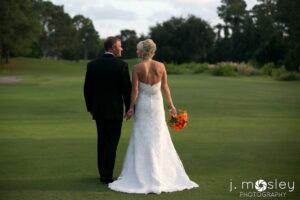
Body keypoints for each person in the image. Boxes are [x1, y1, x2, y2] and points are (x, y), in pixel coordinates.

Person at [108, 39, 199, 194]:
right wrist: (171, 105)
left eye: (138, 50)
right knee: (158, 136)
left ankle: (142, 175)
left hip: (143, 105)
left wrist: (130, 108)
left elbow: (135, 90)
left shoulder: (137, 68)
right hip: (157, 106)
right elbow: (165, 87)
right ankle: (160, 174)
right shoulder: (161, 66)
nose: (136, 52)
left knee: (142, 136)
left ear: (143, 51)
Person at [83, 36, 131, 184]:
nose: (122, 48)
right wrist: (129, 108)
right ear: (112, 47)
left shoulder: (92, 65)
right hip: (115, 111)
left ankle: (102, 172)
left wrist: (91, 108)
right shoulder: (121, 65)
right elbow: (126, 91)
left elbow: (87, 89)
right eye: (120, 46)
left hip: (98, 110)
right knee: (112, 142)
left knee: (102, 141)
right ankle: (106, 175)